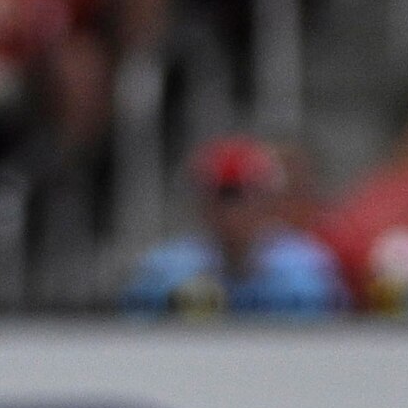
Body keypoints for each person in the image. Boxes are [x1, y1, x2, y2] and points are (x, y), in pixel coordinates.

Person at [122, 135, 347, 314]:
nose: (230, 213)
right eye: (220, 198)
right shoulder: (166, 270)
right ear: (201, 205)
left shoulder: (305, 267)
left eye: (240, 198)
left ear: (265, 202)